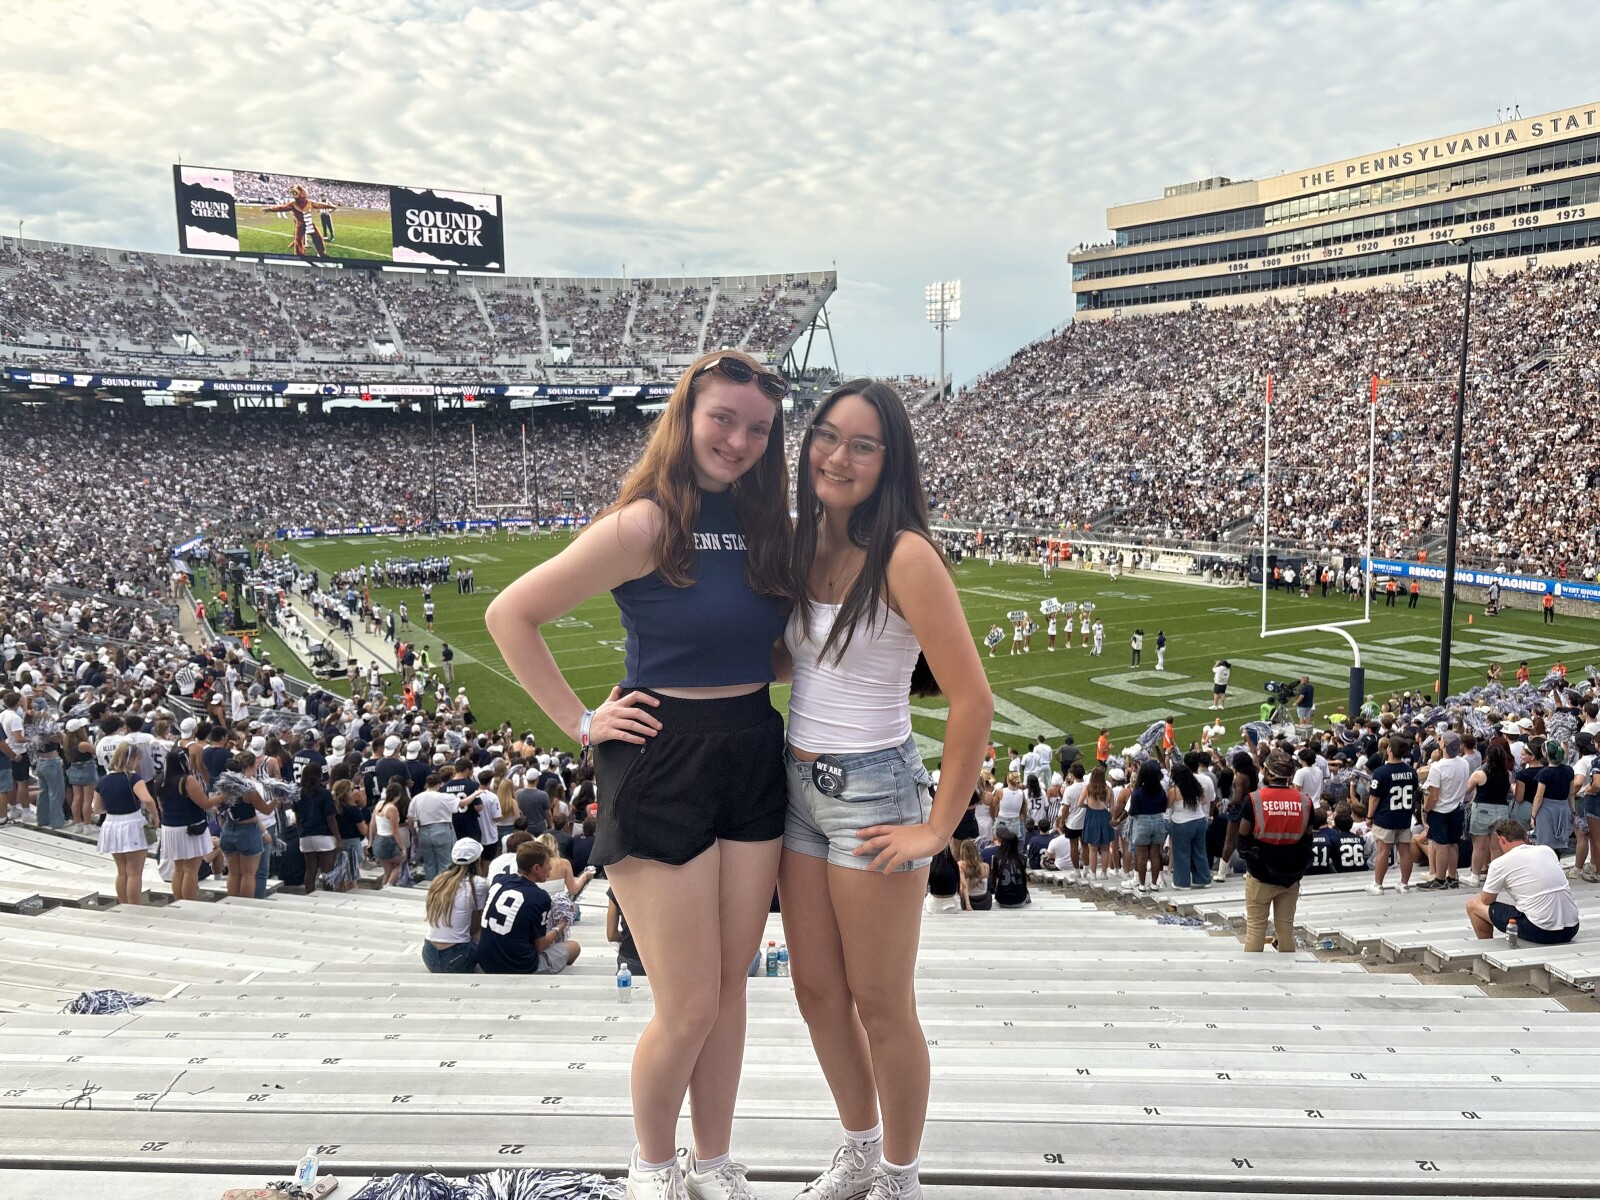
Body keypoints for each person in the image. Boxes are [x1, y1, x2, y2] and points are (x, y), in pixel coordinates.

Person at [485, 349, 796, 1200]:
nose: (738, 440)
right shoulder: (647, 523)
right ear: (686, 417)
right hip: (663, 756)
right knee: (688, 1003)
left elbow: (765, 654)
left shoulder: (768, 524)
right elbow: (512, 613)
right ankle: (652, 1167)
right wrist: (580, 722)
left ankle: (715, 1162)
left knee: (729, 989)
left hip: (751, 747)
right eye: (723, 419)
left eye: (758, 428)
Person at [777, 378, 991, 1200]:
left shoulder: (906, 554)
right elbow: (794, 659)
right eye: (828, 436)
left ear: (889, 460)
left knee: (881, 1002)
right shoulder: (802, 539)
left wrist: (937, 829)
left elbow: (972, 700)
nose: (838, 456)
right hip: (797, 784)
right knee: (815, 991)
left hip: (872, 789)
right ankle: (860, 1149)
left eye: (862, 445)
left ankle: (900, 1176)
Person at [1237, 750, 1314, 952]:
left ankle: (1254, 969)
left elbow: (1242, 838)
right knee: (1286, 929)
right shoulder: (1305, 801)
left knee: (1256, 928)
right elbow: (1308, 839)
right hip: (1292, 874)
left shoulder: (1254, 799)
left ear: (1267, 772)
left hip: (1261, 873)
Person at [1466, 819, 1580, 944]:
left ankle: (1486, 947)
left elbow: (1486, 900)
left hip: (1541, 930)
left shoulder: (1499, 863)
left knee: (1473, 905)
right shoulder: (1547, 851)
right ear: (1525, 838)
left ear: (1502, 840)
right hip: (1572, 928)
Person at [479, 840, 583, 974]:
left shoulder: (499, 880)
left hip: (486, 960)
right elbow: (540, 946)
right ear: (536, 868)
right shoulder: (539, 897)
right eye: (548, 863)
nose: (550, 868)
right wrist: (560, 926)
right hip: (520, 966)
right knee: (573, 947)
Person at [94, 741, 159, 904]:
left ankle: (123, 904)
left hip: (111, 823)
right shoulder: (133, 778)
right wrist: (155, 816)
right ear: (133, 759)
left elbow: (97, 808)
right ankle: (134, 906)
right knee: (134, 872)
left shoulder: (103, 780)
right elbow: (147, 799)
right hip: (131, 823)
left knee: (122, 871)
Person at [421, 838, 488, 973]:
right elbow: (474, 929)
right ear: (477, 860)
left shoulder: (440, 880)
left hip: (429, 954)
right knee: (485, 928)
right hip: (458, 958)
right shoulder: (478, 884)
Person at [1366, 736, 1418, 894]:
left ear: (1389, 749)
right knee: (1405, 850)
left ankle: (1378, 884)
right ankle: (1404, 883)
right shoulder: (1411, 772)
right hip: (1404, 816)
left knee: (1383, 850)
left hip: (1386, 817)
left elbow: (1374, 798)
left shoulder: (1380, 772)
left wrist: (1369, 816)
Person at [1420, 733, 1470, 889]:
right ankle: (1452, 876)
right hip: (1457, 807)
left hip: (1440, 810)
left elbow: (1433, 795)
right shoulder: (1464, 763)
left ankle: (1440, 878)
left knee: (1441, 844)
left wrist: (1426, 810)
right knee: (1453, 843)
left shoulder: (1437, 767)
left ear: (1444, 745)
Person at [294, 762, 341, 894]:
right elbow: (330, 818)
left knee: (310, 871)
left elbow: (297, 817)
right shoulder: (325, 794)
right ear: (319, 775)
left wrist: (300, 832)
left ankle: (309, 896)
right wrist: (338, 838)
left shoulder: (298, 793)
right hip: (324, 835)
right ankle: (327, 898)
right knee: (327, 872)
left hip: (305, 835)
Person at [1166, 763, 1210, 889]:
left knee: (1181, 854)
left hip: (1182, 824)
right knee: (1200, 851)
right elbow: (1204, 801)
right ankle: (1203, 879)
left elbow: (1168, 806)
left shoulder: (1174, 791)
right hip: (1200, 821)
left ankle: (1182, 882)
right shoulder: (1196, 787)